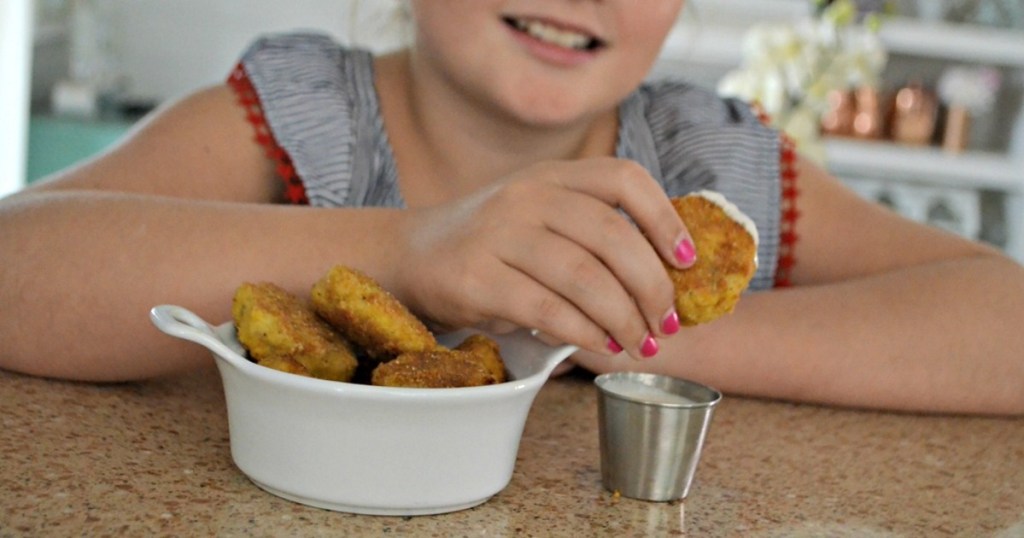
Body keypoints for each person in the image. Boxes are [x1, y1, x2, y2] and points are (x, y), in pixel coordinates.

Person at [1, 0, 1022, 415]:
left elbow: (1004, 325)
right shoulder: (302, 115)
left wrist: (621, 328)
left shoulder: (712, 157)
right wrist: (403, 249)